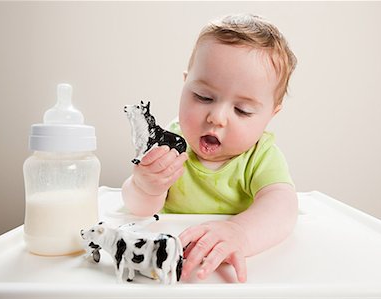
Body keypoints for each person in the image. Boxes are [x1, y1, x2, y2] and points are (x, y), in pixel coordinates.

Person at [122, 13, 298, 283]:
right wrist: (147, 186)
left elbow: (282, 208)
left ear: (270, 115)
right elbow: (139, 209)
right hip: (170, 266)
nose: (217, 117)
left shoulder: (260, 156)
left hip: (235, 271)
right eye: (203, 97)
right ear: (185, 84)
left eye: (242, 110)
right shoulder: (172, 144)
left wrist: (240, 232)